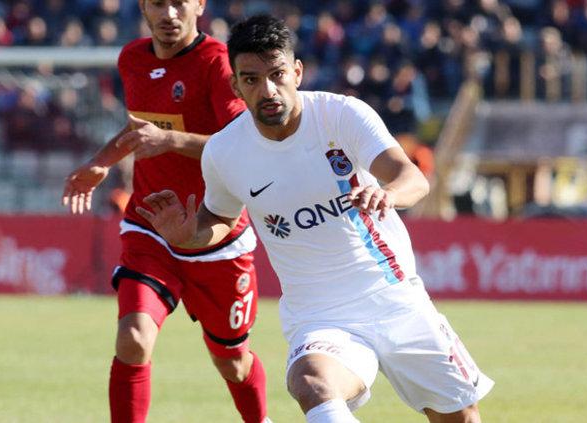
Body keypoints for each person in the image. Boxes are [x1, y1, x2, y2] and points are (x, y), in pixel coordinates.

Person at [137, 14, 494, 423]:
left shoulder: (341, 115)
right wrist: (189, 235)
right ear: (235, 86)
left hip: (394, 297)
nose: (268, 90)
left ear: (297, 72)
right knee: (312, 384)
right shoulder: (224, 151)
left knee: (461, 418)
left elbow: (411, 177)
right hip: (320, 316)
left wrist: (388, 194)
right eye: (251, 79)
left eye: (277, 74)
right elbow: (218, 217)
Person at [61, 2, 270, 422]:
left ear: (200, 4)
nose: (169, 13)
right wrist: (102, 161)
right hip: (150, 226)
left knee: (233, 363)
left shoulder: (217, 63)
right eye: (158, 2)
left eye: (179, 2)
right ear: (143, 6)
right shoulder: (132, 59)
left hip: (215, 233)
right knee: (133, 338)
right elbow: (140, 126)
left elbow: (240, 144)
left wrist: (171, 141)